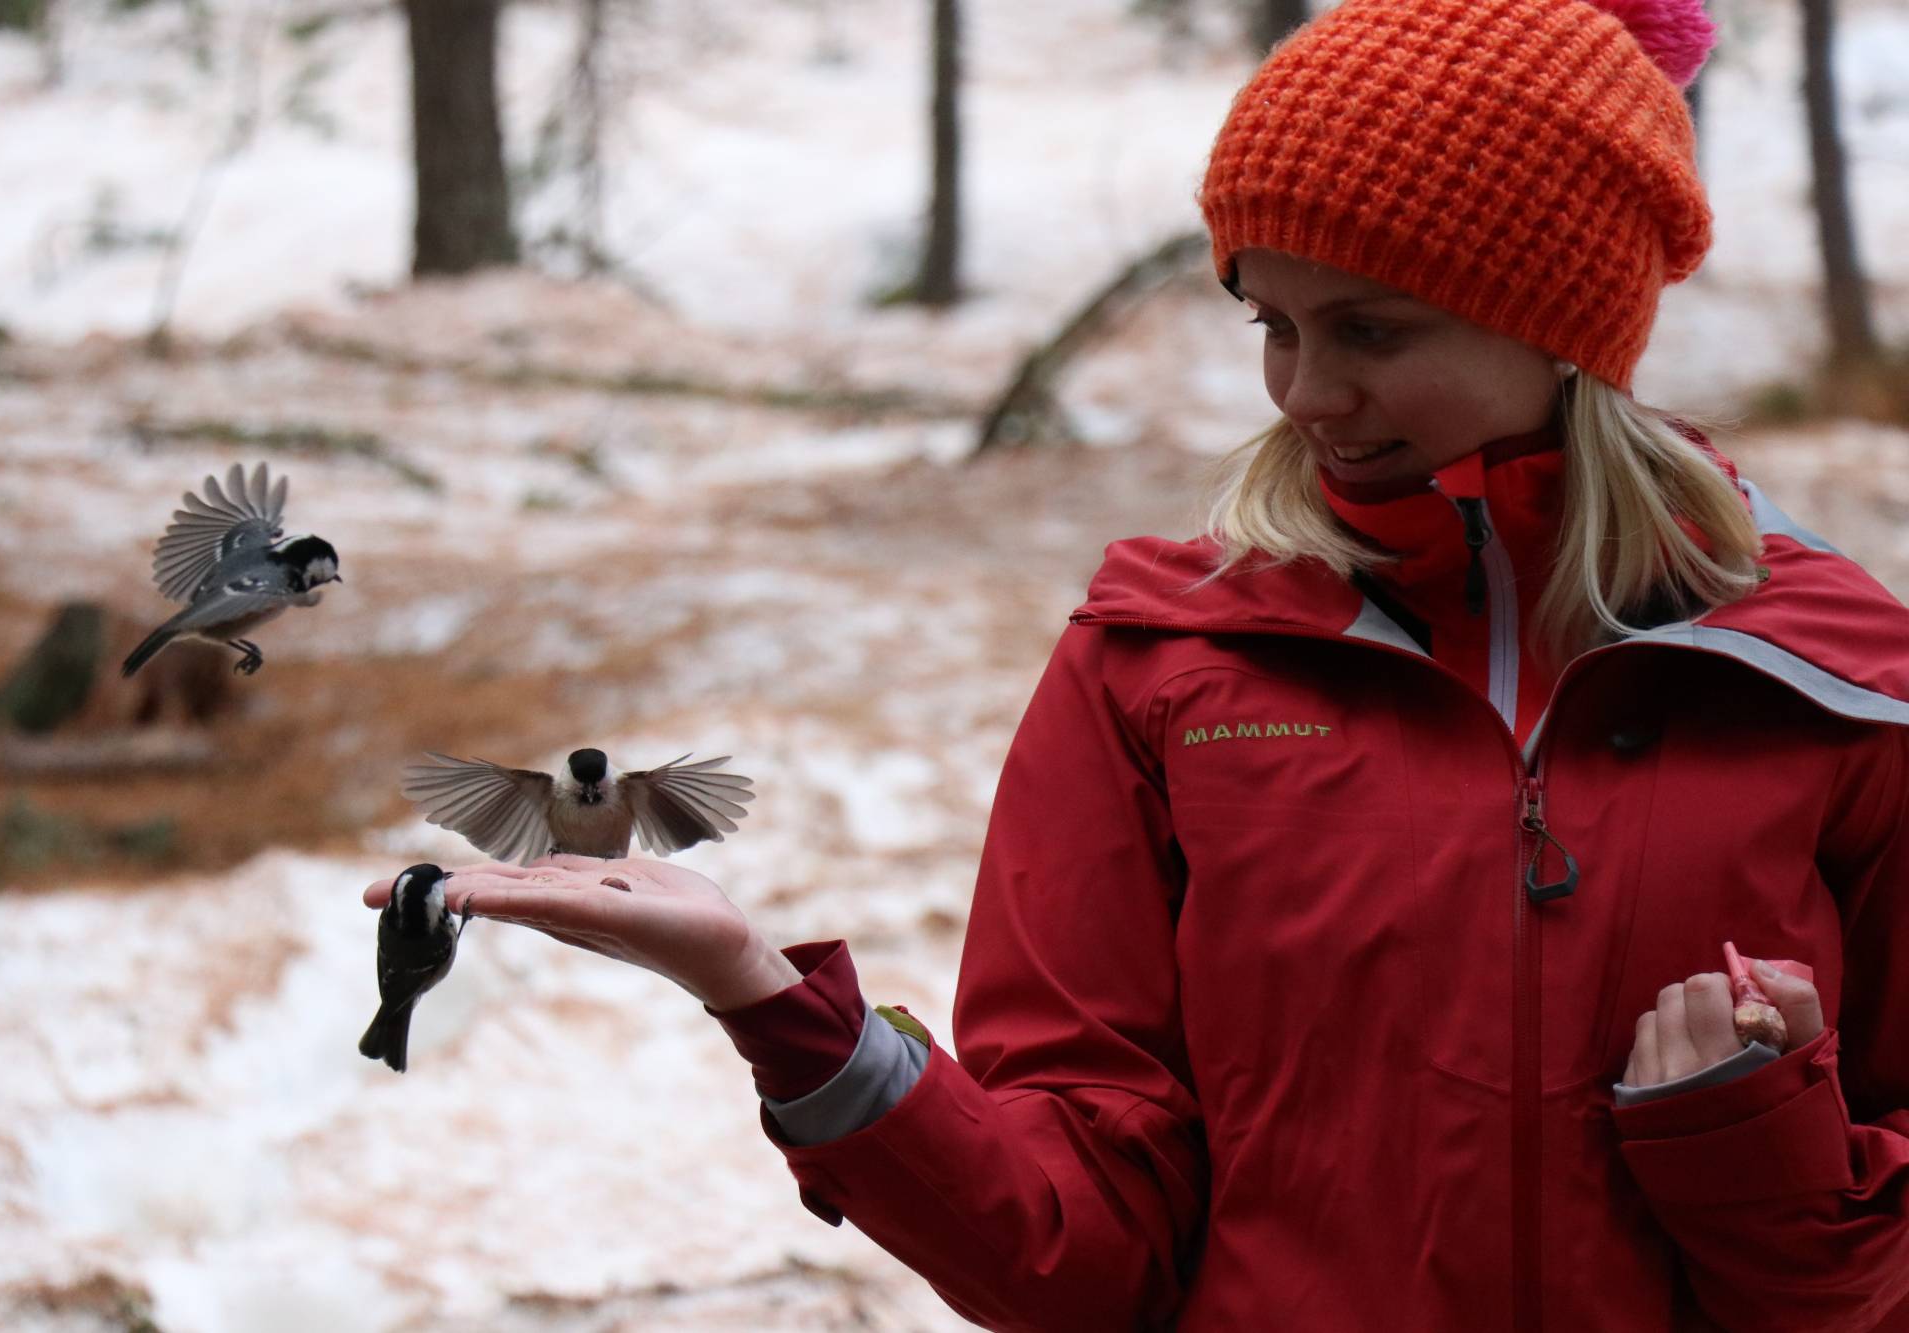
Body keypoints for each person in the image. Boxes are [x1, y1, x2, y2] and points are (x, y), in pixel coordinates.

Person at [364, 0, 1909, 1327]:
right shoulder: (1163, 669)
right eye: (1271, 321)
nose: (1303, 389)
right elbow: (1081, 1253)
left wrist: (1756, 1160)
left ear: (1560, 322)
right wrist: (778, 1010)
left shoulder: (1835, 687)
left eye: (1369, 330)